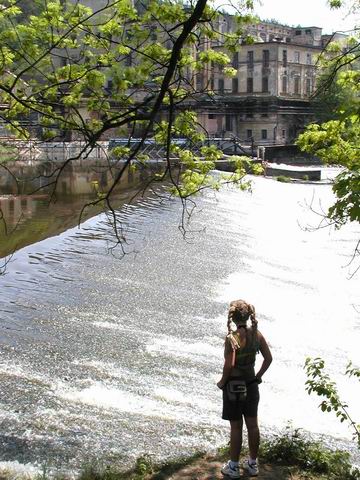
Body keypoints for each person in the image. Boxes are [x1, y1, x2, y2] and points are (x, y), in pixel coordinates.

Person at [217, 300, 272, 478]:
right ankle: (253, 464)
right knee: (253, 425)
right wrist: (258, 376)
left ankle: (233, 467)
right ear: (249, 316)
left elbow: (230, 365)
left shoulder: (232, 338)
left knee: (236, 427)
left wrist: (222, 382)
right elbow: (268, 358)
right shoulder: (257, 335)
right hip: (251, 384)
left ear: (232, 317)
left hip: (234, 386)